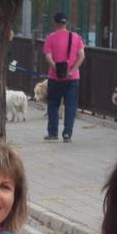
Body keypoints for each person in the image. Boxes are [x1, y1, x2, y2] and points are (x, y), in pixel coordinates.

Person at [42, 12, 85, 142]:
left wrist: (56, 67)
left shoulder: (50, 38)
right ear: (66, 23)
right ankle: (67, 134)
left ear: (55, 23)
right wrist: (72, 70)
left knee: (53, 104)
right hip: (72, 78)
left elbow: (48, 56)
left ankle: (53, 132)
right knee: (70, 106)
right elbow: (82, 56)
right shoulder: (76, 37)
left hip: (55, 78)